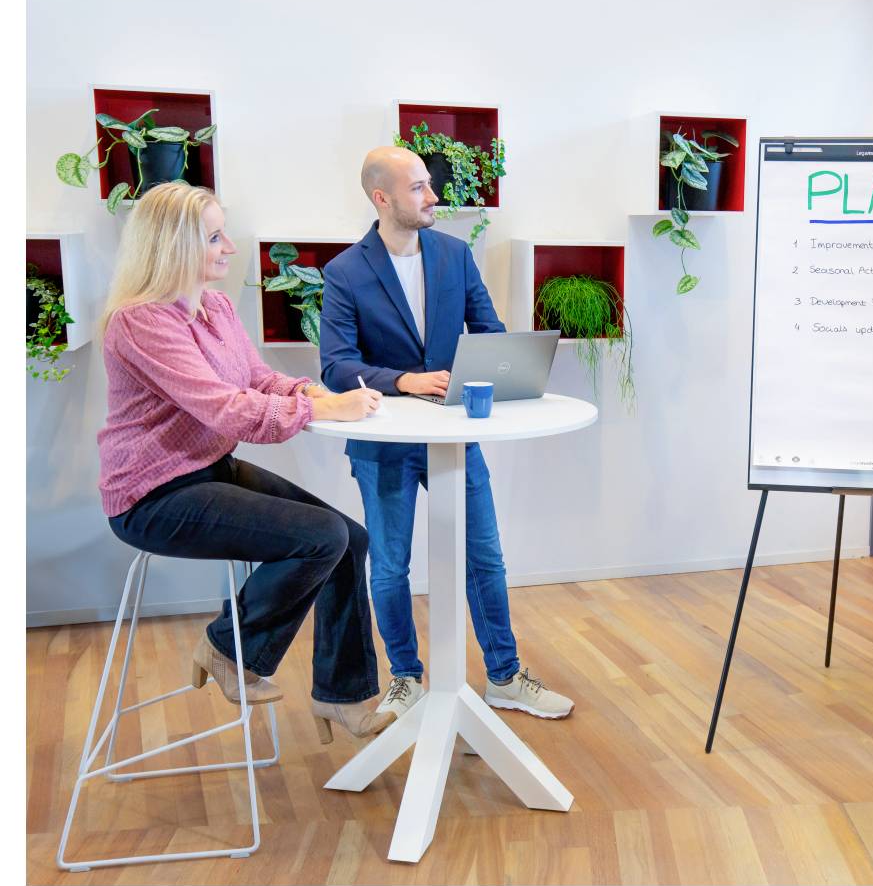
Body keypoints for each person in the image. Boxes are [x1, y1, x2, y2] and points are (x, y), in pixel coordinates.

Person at [97, 181, 393, 743]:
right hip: (152, 495)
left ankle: (344, 696)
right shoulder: (140, 322)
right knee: (321, 537)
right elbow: (225, 409)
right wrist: (319, 407)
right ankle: (228, 647)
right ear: (173, 246)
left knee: (349, 538)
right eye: (214, 237)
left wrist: (315, 396)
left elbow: (256, 380)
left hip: (207, 470)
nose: (229, 247)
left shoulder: (215, 306)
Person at [319, 147, 574, 722]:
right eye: (418, 188)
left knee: (485, 556)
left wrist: (499, 365)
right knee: (389, 566)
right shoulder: (345, 272)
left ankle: (505, 676)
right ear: (381, 198)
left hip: (454, 438)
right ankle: (406, 679)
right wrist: (406, 379)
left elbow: (490, 332)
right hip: (384, 446)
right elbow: (335, 366)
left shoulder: (456, 256)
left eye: (429, 186)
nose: (433, 197)